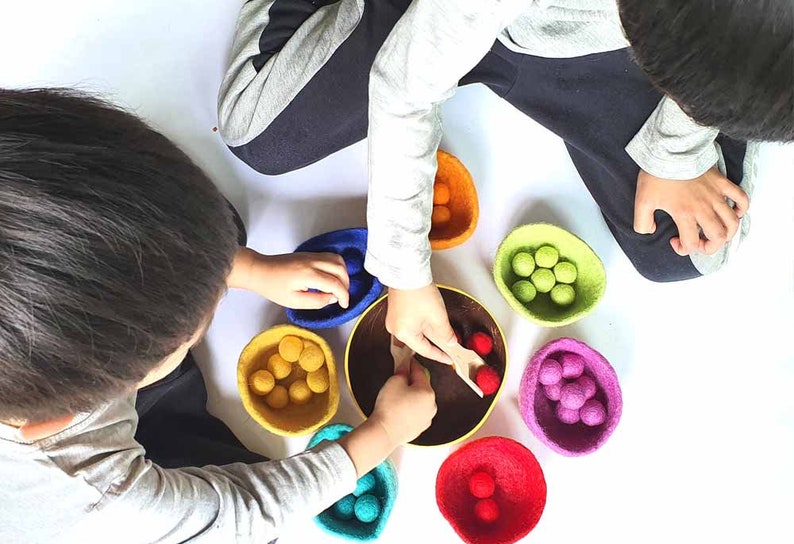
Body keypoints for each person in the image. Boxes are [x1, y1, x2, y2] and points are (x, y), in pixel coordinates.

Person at [0, 88, 438, 544]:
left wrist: (246, 267)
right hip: (92, 478)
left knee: (216, 225)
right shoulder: (89, 489)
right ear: (72, 406)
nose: (213, 307)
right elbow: (244, 512)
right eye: (188, 330)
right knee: (225, 543)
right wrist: (385, 432)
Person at [217, 0, 793, 363]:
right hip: (447, 16)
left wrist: (678, 149)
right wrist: (405, 275)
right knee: (258, 134)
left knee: (686, 253)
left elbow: (721, 66)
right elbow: (405, 89)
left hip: (593, 41)